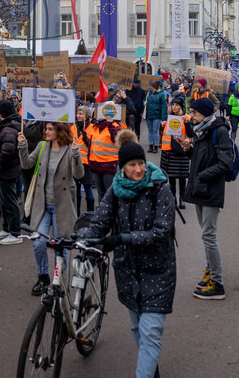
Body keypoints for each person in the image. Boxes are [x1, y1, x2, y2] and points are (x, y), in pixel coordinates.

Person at [81, 133, 175, 378]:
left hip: (158, 269)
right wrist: (85, 240)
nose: (138, 169)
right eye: (132, 165)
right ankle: (150, 370)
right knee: (137, 327)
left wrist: (123, 238)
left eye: (141, 163)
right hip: (128, 270)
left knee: (151, 331)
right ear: (122, 167)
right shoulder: (116, 188)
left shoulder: (159, 188)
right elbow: (100, 221)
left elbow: (161, 232)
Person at [19, 122, 84, 296]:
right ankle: (42, 277)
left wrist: (77, 154)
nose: (45, 132)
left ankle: (59, 279)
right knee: (38, 242)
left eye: (50, 129)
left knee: (59, 246)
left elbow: (79, 175)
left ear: (59, 131)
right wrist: (22, 145)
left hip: (62, 206)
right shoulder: (42, 146)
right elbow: (26, 164)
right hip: (43, 205)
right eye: (46, 129)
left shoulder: (71, 148)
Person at [179, 97, 234, 300]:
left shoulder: (218, 131)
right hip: (201, 188)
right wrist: (189, 150)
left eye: (194, 112)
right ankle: (210, 272)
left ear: (204, 112)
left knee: (208, 235)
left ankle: (217, 284)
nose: (191, 116)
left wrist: (203, 175)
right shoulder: (202, 129)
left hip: (210, 189)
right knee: (205, 233)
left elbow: (225, 163)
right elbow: (201, 158)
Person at [0, 99, 24, 245]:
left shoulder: (9, 129)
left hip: (7, 170)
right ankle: (7, 228)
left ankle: (15, 232)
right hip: (6, 170)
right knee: (5, 202)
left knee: (10, 202)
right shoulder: (8, 126)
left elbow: (7, 152)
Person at [159, 97, 193, 209]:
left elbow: (191, 134)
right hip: (168, 150)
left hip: (181, 149)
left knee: (182, 177)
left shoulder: (187, 117)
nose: (174, 107)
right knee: (171, 177)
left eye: (177, 105)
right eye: (173, 105)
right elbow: (162, 134)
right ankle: (173, 198)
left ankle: (182, 198)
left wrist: (187, 123)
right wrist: (162, 125)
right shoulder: (167, 117)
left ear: (181, 107)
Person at [84, 110, 124, 201]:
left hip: (109, 167)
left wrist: (110, 124)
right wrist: (90, 161)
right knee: (100, 193)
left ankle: (111, 213)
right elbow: (91, 146)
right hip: (95, 166)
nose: (98, 116)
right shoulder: (95, 127)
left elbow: (116, 138)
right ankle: (102, 212)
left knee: (109, 193)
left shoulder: (115, 126)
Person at [71, 105, 96, 214]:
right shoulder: (73, 127)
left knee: (88, 187)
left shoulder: (93, 127)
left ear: (87, 116)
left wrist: (86, 139)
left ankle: (90, 212)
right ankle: (76, 213)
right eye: (77, 113)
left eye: (81, 114)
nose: (78, 115)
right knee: (76, 188)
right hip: (75, 161)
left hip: (86, 162)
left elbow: (94, 145)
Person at [144, 80, 168, 153]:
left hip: (157, 115)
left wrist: (163, 118)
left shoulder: (161, 95)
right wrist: (144, 103)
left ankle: (156, 146)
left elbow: (163, 107)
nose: (150, 87)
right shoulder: (148, 94)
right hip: (149, 115)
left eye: (152, 86)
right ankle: (151, 145)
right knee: (150, 130)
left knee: (155, 130)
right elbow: (144, 100)